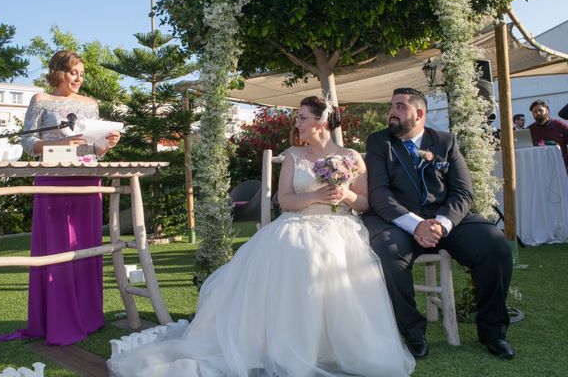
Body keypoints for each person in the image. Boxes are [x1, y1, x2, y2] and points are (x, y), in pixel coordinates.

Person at [108, 96, 415, 377]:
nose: (297, 124)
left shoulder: (350, 156)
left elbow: (364, 202)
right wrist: (317, 194)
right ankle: (283, 342)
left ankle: (333, 344)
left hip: (341, 224)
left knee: (327, 252)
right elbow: (284, 201)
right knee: (294, 247)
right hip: (297, 220)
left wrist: (345, 193)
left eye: (303, 118)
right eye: (298, 118)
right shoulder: (294, 155)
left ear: (321, 122)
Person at [363, 88, 514, 360]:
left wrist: (442, 224)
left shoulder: (445, 142)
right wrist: (416, 225)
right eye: (390, 106)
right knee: (388, 253)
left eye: (399, 106)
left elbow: (464, 192)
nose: (391, 112)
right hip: (399, 221)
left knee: (496, 246)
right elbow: (379, 193)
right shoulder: (378, 143)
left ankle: (493, 332)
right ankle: (413, 332)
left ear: (419, 114)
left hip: (446, 219)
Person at [0, 50, 120, 346]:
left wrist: (106, 145)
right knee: (55, 246)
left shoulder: (90, 104)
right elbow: (27, 142)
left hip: (87, 177)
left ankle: (89, 317)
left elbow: (92, 147)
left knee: (85, 246)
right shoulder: (40, 100)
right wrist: (62, 142)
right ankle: (55, 319)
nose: (78, 78)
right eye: (73, 72)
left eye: (82, 73)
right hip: (52, 178)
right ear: (58, 73)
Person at [527, 99, 568, 169]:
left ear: (547, 110)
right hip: (539, 168)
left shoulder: (560, 125)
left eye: (540, 110)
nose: (538, 113)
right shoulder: (529, 130)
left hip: (561, 167)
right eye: (535, 112)